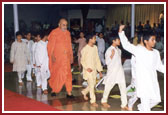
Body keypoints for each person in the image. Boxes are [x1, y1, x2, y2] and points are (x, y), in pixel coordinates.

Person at [119, 25, 164, 111]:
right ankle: (143, 108)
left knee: (156, 100)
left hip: (153, 82)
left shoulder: (156, 53)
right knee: (146, 108)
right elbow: (126, 45)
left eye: (155, 39)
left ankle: (141, 108)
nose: (155, 42)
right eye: (152, 40)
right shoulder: (139, 50)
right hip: (143, 83)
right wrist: (121, 32)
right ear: (146, 41)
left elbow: (159, 67)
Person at [47, 18, 74, 98]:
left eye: (66, 25)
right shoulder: (54, 33)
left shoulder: (68, 33)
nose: (65, 27)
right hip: (58, 58)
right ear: (59, 25)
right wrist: (52, 56)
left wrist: (71, 56)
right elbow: (50, 46)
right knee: (56, 74)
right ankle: (54, 90)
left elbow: (69, 46)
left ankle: (69, 92)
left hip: (66, 58)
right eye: (63, 25)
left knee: (68, 74)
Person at [101, 36, 128, 110]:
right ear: (113, 41)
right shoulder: (109, 50)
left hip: (120, 72)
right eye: (118, 40)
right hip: (112, 72)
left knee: (123, 88)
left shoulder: (119, 50)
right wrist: (112, 55)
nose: (119, 41)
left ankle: (124, 104)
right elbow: (107, 62)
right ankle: (104, 101)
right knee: (108, 87)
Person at [81, 34, 103, 107]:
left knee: (92, 85)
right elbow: (82, 61)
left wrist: (99, 71)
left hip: (94, 70)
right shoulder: (85, 49)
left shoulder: (95, 48)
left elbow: (97, 59)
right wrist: (87, 68)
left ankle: (84, 92)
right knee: (91, 85)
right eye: (94, 38)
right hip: (88, 70)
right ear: (90, 39)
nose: (95, 40)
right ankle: (92, 101)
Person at [127, 34, 144, 111]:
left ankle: (143, 107)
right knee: (137, 92)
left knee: (143, 92)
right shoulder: (136, 49)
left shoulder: (147, 50)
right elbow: (133, 63)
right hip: (137, 75)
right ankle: (130, 104)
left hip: (144, 75)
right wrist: (134, 76)